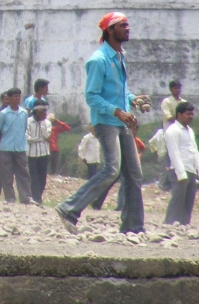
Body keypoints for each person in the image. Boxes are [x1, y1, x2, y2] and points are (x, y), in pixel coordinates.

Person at [56, 12, 148, 235]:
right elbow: (92, 97)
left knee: (134, 174)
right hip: (106, 122)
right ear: (109, 30)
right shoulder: (98, 60)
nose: (127, 28)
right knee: (111, 169)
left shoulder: (119, 56)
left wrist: (132, 100)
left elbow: (120, 91)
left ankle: (133, 227)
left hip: (121, 121)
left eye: (127, 24)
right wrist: (116, 111)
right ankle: (69, 209)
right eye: (122, 25)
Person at [163, 102, 199, 225]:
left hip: (190, 169)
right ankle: (170, 223)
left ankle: (184, 225)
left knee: (189, 200)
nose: (191, 116)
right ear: (179, 115)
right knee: (178, 199)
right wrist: (181, 174)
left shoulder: (190, 131)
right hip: (178, 170)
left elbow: (194, 151)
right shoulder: (172, 130)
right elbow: (174, 153)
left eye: (192, 114)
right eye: (188, 114)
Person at [0, 88, 32, 204]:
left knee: (23, 173)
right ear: (9, 98)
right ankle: (10, 198)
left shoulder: (24, 113)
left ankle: (25, 197)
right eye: (14, 96)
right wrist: (0, 144)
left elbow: (24, 128)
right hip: (6, 147)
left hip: (20, 147)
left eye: (18, 96)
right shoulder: (3, 114)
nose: (17, 99)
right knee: (6, 174)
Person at [26, 101, 52, 205]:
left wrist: (42, 124)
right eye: (43, 111)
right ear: (37, 112)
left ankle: (38, 197)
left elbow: (47, 136)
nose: (45, 114)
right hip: (31, 153)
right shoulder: (28, 122)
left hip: (44, 153)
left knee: (42, 178)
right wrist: (39, 139)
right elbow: (27, 138)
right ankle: (36, 198)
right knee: (34, 177)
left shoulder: (47, 123)